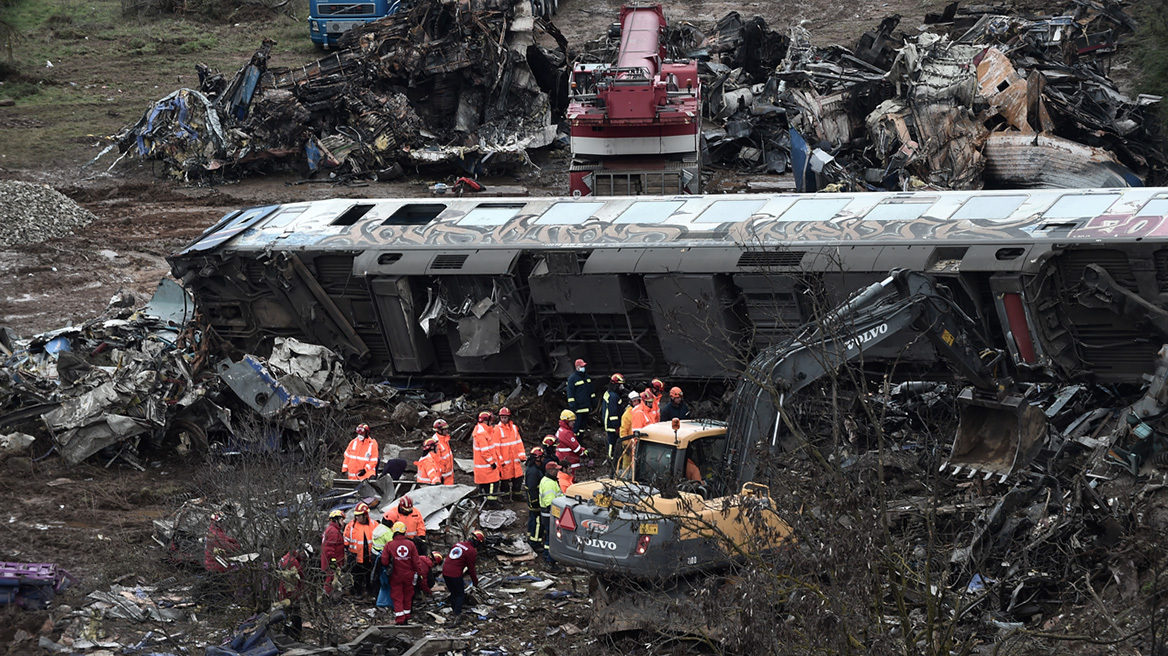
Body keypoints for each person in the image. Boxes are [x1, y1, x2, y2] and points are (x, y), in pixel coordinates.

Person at [381, 521, 432, 624]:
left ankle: (400, 619)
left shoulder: (389, 545)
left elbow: (384, 561)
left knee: (397, 596)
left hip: (395, 575)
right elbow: (416, 562)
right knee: (408, 595)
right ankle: (407, 616)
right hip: (410, 575)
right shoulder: (411, 544)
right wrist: (420, 574)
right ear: (404, 532)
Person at [442, 530, 485, 624]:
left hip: (445, 572)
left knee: (453, 592)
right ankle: (457, 614)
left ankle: (454, 609)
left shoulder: (458, 544)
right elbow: (471, 568)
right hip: (455, 574)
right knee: (460, 594)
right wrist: (475, 581)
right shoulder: (471, 551)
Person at [344, 502, 380, 597]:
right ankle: (357, 592)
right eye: (356, 516)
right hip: (355, 556)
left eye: (359, 516)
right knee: (356, 576)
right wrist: (346, 553)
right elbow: (345, 540)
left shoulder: (374, 524)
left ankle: (370, 591)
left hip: (369, 555)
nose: (357, 518)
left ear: (365, 515)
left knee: (369, 575)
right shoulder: (350, 526)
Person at [496, 407, 527, 501]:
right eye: (502, 417)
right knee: (504, 481)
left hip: (515, 460)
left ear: (509, 417)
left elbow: (519, 443)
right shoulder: (497, 429)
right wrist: (500, 460)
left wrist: (522, 456)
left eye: (505, 417)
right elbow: (496, 448)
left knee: (518, 479)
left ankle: (516, 496)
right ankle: (505, 497)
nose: (504, 419)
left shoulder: (514, 428)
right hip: (505, 462)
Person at [472, 411, 502, 502]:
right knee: (493, 483)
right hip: (486, 465)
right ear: (486, 421)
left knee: (483, 485)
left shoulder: (482, 431)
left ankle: (484, 501)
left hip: (483, 465)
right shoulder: (481, 433)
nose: (492, 423)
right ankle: (491, 502)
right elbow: (485, 451)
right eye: (490, 420)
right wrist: (492, 462)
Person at [539, 462, 565, 565]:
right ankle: (549, 560)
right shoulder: (549, 483)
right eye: (556, 470)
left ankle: (548, 557)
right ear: (550, 471)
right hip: (550, 514)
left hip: (550, 513)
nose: (558, 472)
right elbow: (550, 502)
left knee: (550, 536)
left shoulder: (550, 480)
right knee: (552, 537)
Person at [276, 547, 305, 639]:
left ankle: (288, 635)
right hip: (291, 593)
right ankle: (294, 636)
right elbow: (300, 578)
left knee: (287, 616)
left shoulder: (285, 557)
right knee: (295, 616)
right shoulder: (294, 562)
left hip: (283, 592)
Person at [524, 446, 547, 554]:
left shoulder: (535, 469)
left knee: (533, 519)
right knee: (538, 521)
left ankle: (531, 536)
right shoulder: (533, 472)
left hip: (535, 499)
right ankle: (535, 543)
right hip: (535, 500)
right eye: (542, 457)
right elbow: (532, 488)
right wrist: (535, 501)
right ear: (538, 458)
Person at [601, 373, 628, 459]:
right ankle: (612, 459)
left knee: (612, 442)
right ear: (616, 385)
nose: (622, 387)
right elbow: (613, 413)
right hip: (612, 425)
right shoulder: (613, 397)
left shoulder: (610, 393)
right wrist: (616, 426)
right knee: (612, 443)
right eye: (621, 385)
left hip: (610, 423)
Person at [566, 358, 596, 432]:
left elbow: (591, 391)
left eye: (583, 366)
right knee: (576, 428)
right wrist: (573, 406)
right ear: (577, 367)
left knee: (582, 428)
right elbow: (570, 394)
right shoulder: (572, 379)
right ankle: (575, 442)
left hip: (586, 407)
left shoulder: (587, 377)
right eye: (582, 366)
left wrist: (593, 403)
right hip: (578, 409)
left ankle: (580, 442)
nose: (583, 368)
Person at [321, 509, 345, 596]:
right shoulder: (333, 532)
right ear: (336, 520)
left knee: (332, 580)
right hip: (331, 562)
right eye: (342, 520)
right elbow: (329, 549)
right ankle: (327, 597)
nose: (343, 523)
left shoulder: (331, 529)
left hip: (331, 561)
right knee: (330, 580)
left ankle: (330, 596)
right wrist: (333, 561)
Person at [555, 410, 587, 474]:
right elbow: (576, 448)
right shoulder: (566, 433)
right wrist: (584, 453)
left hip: (564, 459)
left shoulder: (561, 430)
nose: (574, 422)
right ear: (566, 421)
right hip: (570, 460)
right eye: (572, 421)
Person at [618, 391, 642, 471]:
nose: (636, 403)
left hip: (638, 443)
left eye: (637, 401)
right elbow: (623, 431)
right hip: (629, 444)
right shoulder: (627, 414)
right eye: (634, 401)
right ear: (631, 402)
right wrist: (626, 445)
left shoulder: (641, 412)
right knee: (627, 463)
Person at [432, 419, 455, 485]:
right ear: (439, 430)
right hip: (443, 476)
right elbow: (436, 461)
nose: (447, 431)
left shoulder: (445, 439)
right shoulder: (436, 443)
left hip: (449, 474)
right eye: (445, 429)